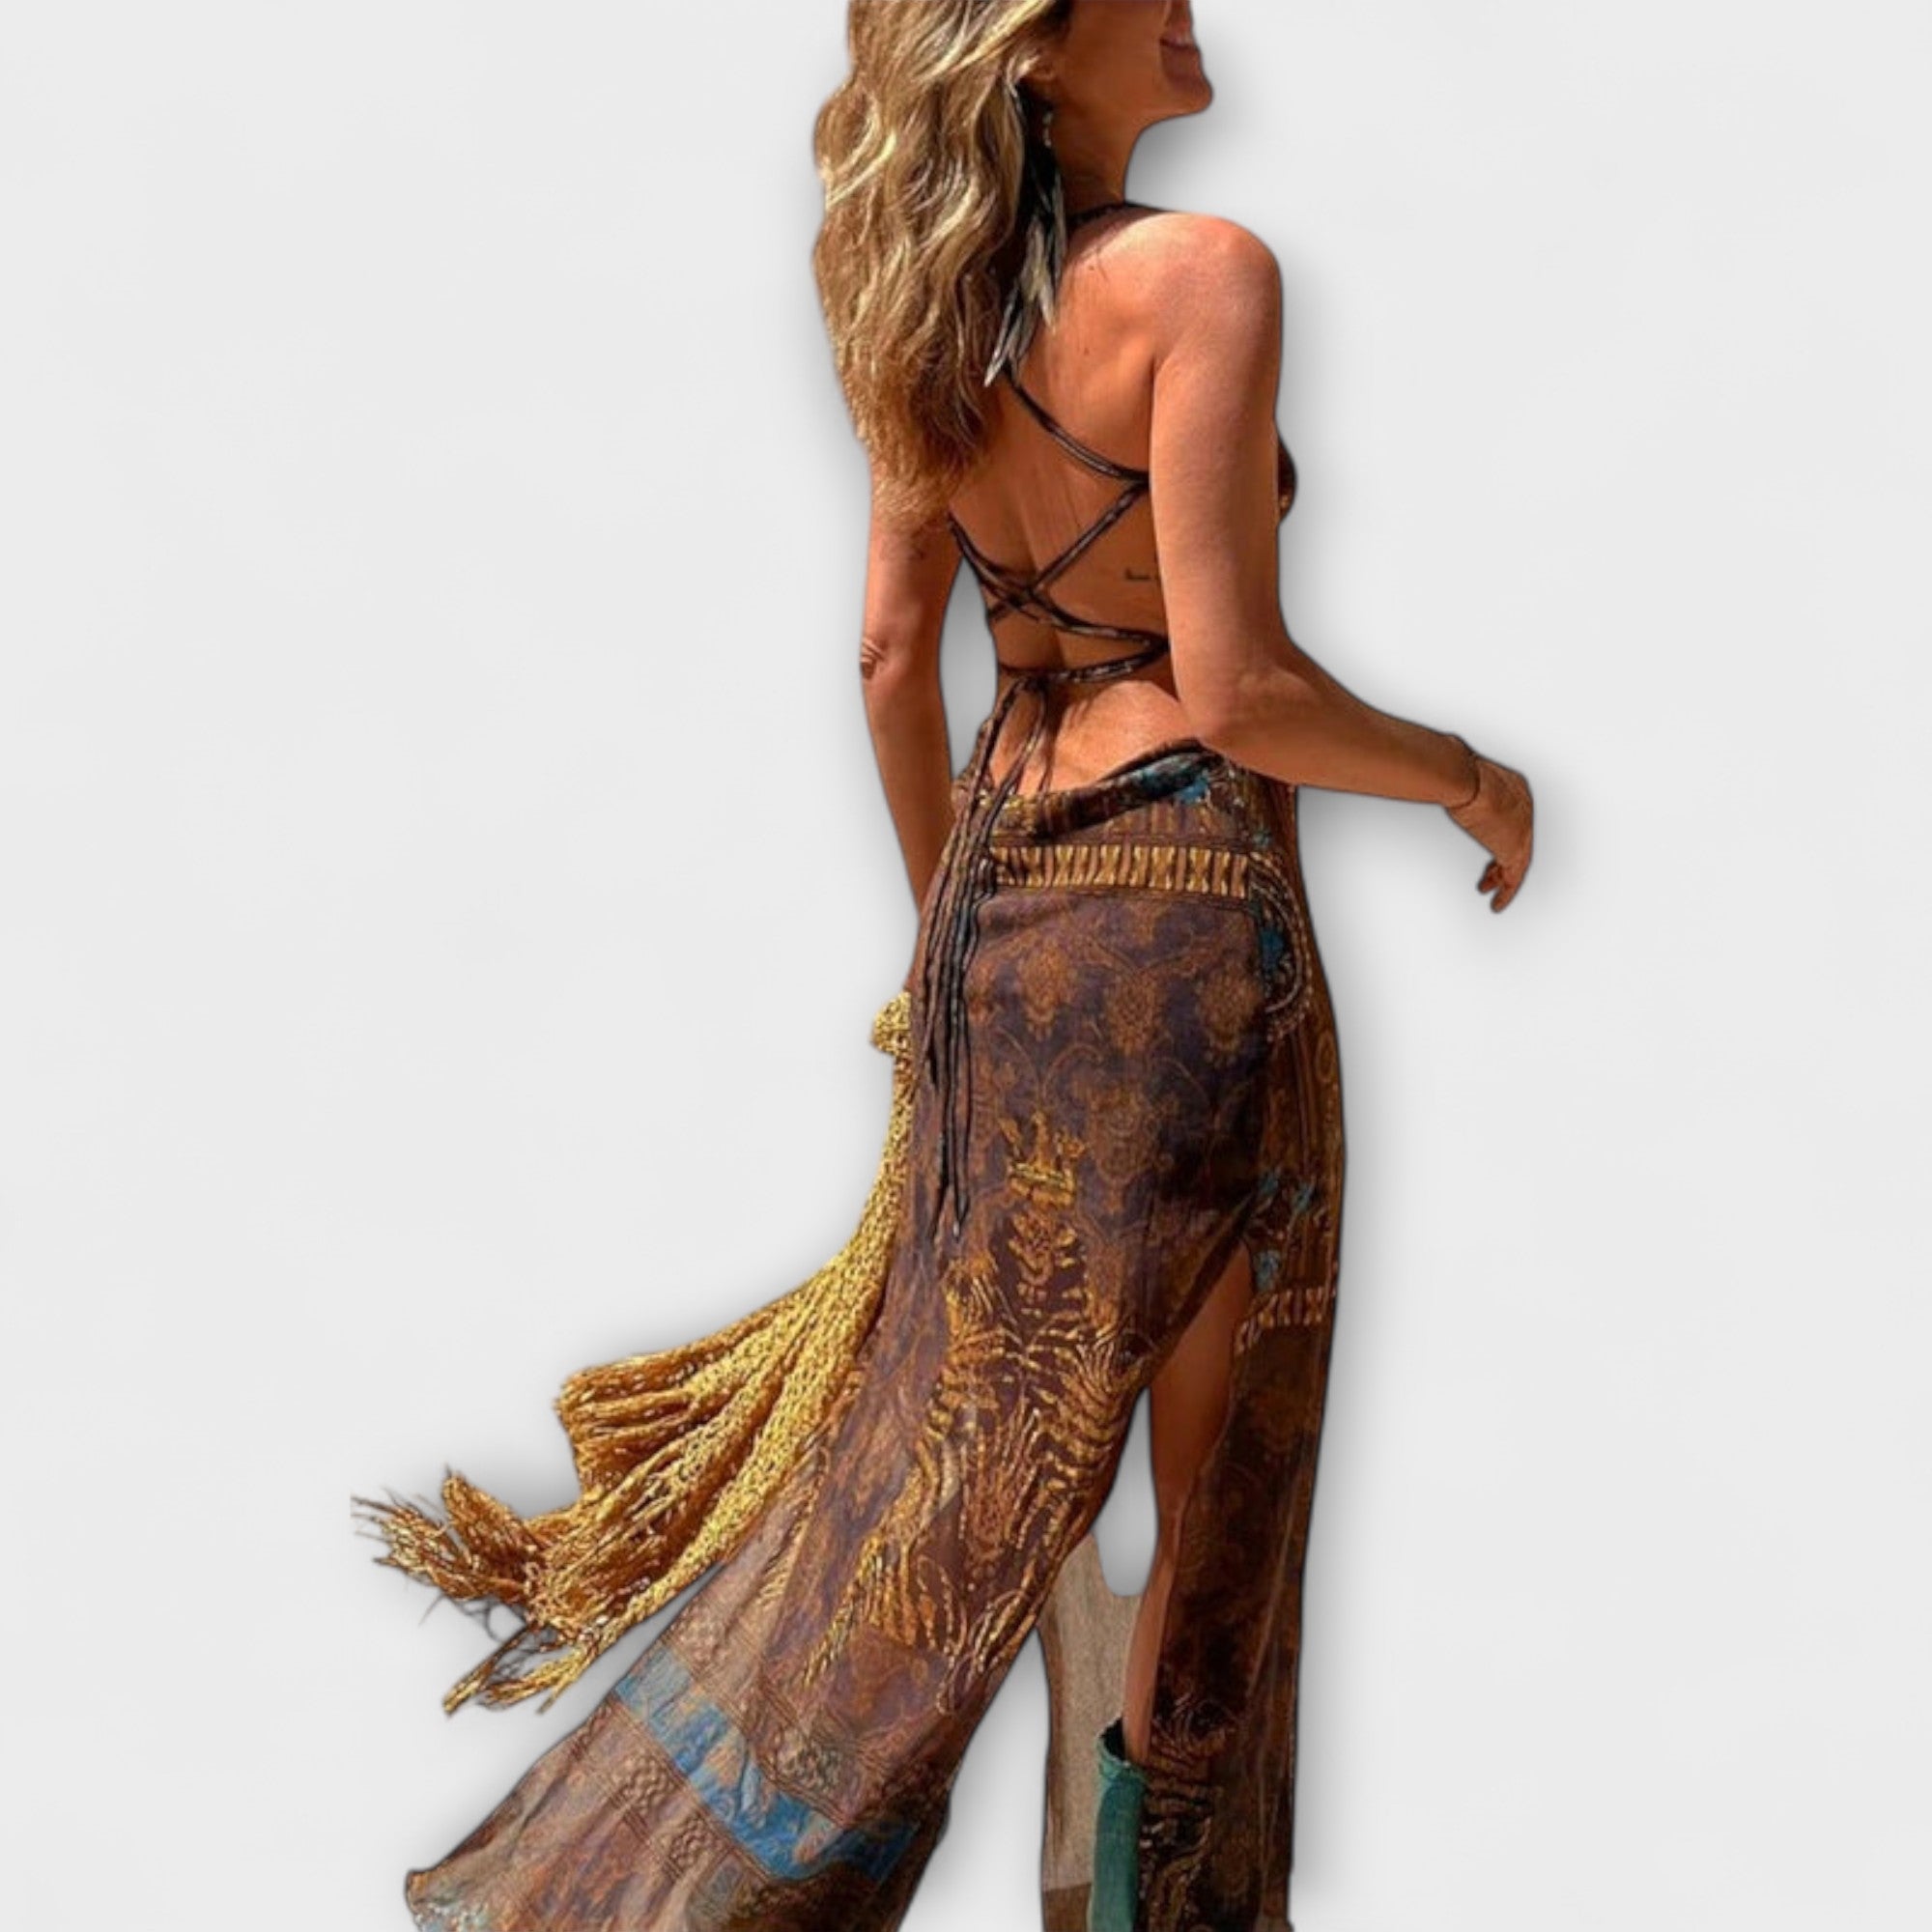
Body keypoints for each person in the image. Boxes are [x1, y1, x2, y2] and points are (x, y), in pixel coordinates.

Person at [353, 3, 1535, 1928]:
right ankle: (1153, 1904)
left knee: (940, 1477)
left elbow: (894, 658)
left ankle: (651, 1894)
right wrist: (1473, 778)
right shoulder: (1206, 276)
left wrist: (948, 950)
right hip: (1186, 929)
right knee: (1218, 1486)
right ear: (1037, 49)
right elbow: (1236, 686)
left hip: (1003, 904)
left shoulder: (925, 308)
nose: (1190, 5)